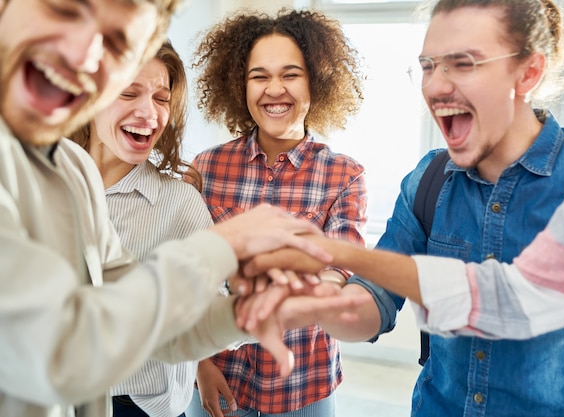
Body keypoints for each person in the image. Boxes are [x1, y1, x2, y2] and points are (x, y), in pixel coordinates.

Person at [242, 3, 564, 416]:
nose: (436, 86)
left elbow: (512, 298)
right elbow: (373, 296)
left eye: (463, 63)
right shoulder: (427, 180)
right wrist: (322, 303)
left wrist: (336, 252)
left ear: (528, 73)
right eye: (428, 65)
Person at [0, 1, 368, 416]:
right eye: (66, 13)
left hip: (299, 382)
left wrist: (242, 315)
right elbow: (64, 343)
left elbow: (152, 328)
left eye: (115, 47)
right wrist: (219, 247)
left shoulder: (73, 171)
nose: (88, 57)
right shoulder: (206, 166)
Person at [186, 8, 367, 417]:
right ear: (239, 84)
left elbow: (342, 264)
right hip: (220, 376)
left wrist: (313, 290)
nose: (274, 89)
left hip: (303, 382)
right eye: (259, 76)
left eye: (290, 74)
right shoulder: (206, 167)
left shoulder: (344, 174)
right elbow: (188, 276)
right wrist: (200, 363)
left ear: (316, 81)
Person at [70, 40, 210, 417]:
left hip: (139, 407)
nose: (149, 113)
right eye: (128, 92)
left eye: (161, 98)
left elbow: (213, 310)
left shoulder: (180, 205)